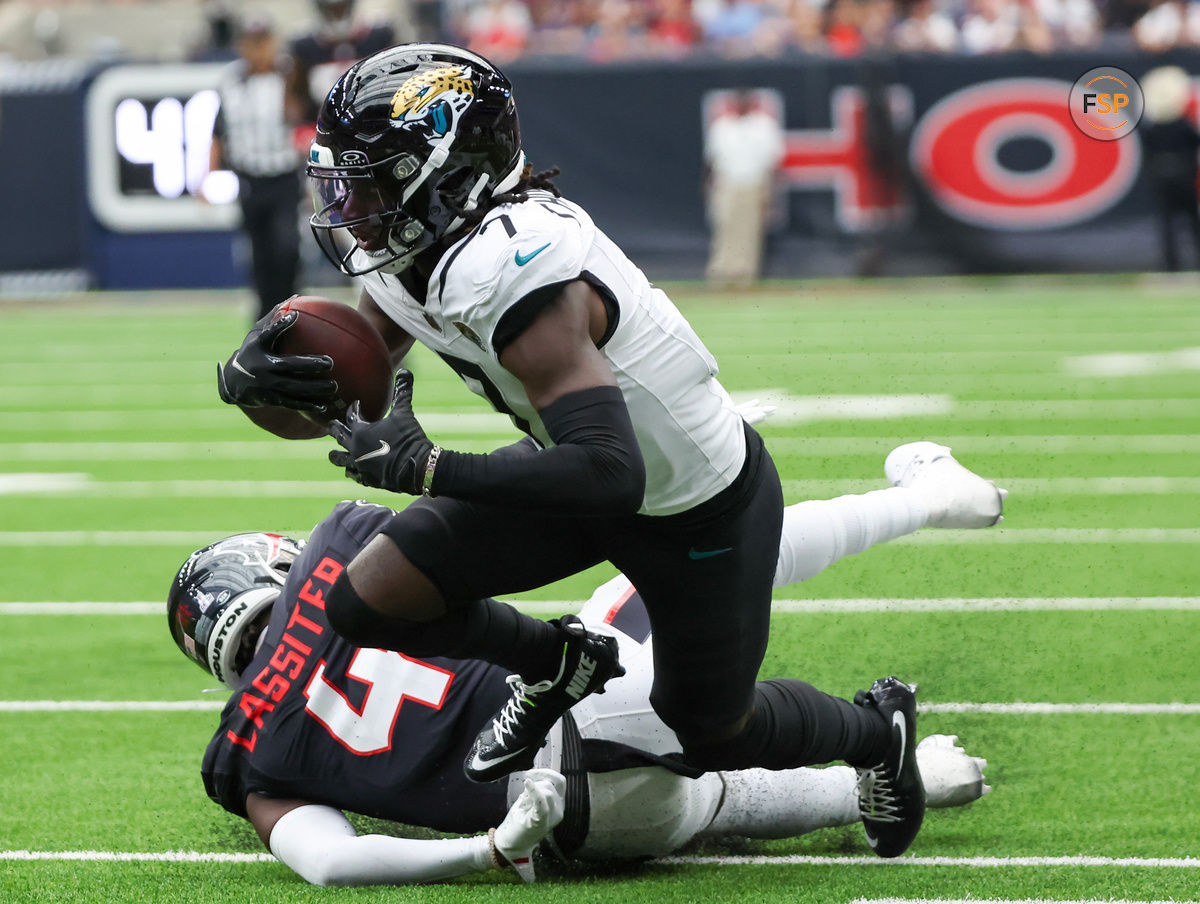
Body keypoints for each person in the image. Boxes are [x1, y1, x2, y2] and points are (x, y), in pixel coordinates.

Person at [214, 42, 1006, 861]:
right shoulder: (417, 254)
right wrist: (267, 380)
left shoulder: (514, 267)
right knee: (366, 598)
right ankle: (558, 661)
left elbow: (611, 468)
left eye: (372, 177)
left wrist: (427, 468)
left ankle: (877, 735)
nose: (353, 201)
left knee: (712, 730)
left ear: (445, 167)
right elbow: (354, 384)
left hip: (691, 504)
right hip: (580, 483)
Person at [168, 481, 993, 886]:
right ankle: (927, 499)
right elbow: (488, 534)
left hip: (589, 834)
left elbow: (333, 866)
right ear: (269, 562)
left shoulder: (241, 758)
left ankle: (880, 788)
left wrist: (491, 848)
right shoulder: (338, 547)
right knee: (716, 546)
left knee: (713, 805)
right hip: (584, 703)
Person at [209, 16, 303, 320]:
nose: (258, 49)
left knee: (287, 247)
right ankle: (264, 317)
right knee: (259, 253)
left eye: (263, 42)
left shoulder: (289, 75)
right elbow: (218, 131)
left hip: (285, 175)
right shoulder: (231, 81)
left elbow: (302, 118)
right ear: (242, 46)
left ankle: (290, 309)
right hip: (250, 178)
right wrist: (208, 175)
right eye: (252, 42)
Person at [703, 90, 785, 286]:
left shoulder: (763, 126)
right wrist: (708, 185)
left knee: (748, 229)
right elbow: (710, 161)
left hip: (753, 183)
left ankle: (744, 274)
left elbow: (773, 162)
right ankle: (721, 272)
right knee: (724, 226)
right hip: (726, 183)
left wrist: (771, 190)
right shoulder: (722, 126)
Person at [1139, 65, 1200, 272]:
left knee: (1167, 222)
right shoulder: (1184, 126)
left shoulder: (1152, 128)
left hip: (1162, 176)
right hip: (1183, 174)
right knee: (1191, 220)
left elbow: (1147, 153)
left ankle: (1171, 266)